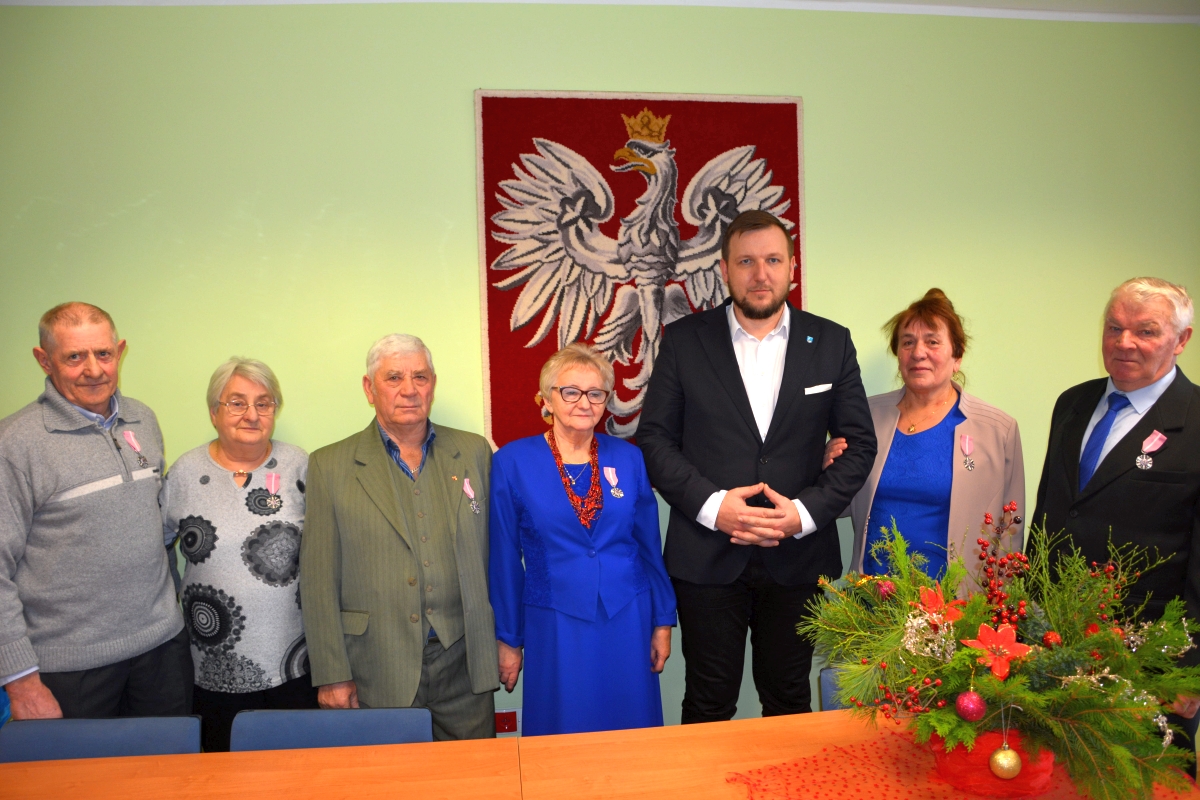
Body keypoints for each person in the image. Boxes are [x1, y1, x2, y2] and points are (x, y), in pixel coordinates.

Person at [636, 210, 877, 723]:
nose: (760, 274)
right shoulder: (684, 341)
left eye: (772, 260)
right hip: (706, 555)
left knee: (789, 701)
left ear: (792, 266)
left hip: (798, 557)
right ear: (725, 269)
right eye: (746, 262)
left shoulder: (831, 342)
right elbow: (654, 440)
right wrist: (713, 507)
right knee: (707, 702)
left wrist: (803, 514)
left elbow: (858, 445)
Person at [1032, 277, 1199, 763]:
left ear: (1181, 340)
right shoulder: (1072, 403)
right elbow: (1050, 516)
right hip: (1054, 644)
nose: (1124, 342)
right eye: (1114, 327)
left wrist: (1189, 669)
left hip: (1149, 656)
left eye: (1146, 331)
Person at [300, 333, 499, 740]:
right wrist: (332, 673)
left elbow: (497, 555)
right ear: (369, 388)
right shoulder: (329, 465)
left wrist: (506, 640)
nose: (409, 389)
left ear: (432, 384)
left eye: (420, 377)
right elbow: (318, 580)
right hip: (376, 667)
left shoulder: (474, 452)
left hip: (464, 665)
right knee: (388, 774)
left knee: (475, 773)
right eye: (394, 378)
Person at [0, 302, 189, 720]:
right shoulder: (14, 444)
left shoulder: (143, 420)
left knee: (170, 762)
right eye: (74, 357)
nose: (93, 370)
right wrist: (21, 680)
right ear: (44, 360)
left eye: (103, 354)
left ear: (119, 351)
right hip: (70, 670)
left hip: (161, 651)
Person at [489, 344, 676, 735]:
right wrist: (508, 637)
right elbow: (504, 558)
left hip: (627, 615)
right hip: (554, 620)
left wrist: (662, 620)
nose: (584, 402)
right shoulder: (512, 461)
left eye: (596, 393)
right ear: (547, 399)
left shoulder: (628, 458)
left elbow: (648, 546)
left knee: (630, 725)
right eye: (570, 391)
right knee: (564, 726)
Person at [161, 358, 317, 752]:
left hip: (294, 666)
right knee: (223, 774)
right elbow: (155, 550)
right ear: (214, 412)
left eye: (264, 403)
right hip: (211, 668)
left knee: (297, 772)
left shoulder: (300, 466)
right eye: (236, 403)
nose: (251, 414)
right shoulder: (184, 473)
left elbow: (327, 553)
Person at [827, 289, 1024, 587]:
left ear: (957, 356)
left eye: (932, 341)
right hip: (872, 597)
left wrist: (999, 604)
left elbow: (1011, 533)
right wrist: (828, 469)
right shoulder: (865, 416)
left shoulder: (998, 430)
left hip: (957, 604)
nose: (918, 352)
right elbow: (840, 506)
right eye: (907, 342)